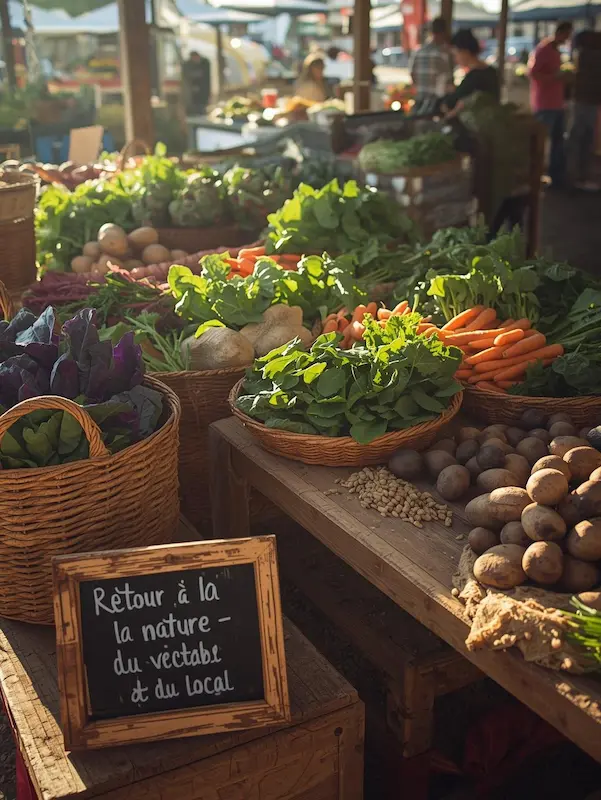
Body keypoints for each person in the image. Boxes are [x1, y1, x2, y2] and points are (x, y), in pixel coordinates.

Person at [528, 21, 573, 189]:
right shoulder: (543, 50)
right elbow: (533, 74)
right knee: (539, 142)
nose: (568, 39)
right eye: (566, 35)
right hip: (545, 104)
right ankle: (534, 175)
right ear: (560, 33)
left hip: (557, 103)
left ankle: (556, 176)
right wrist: (556, 77)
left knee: (557, 142)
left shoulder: (556, 51)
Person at [567, 29, 601, 191]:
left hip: (581, 100)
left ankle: (573, 176)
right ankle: (580, 177)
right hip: (589, 101)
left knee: (578, 138)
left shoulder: (582, 55)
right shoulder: (594, 56)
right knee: (585, 139)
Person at [441, 29, 500, 115]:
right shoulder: (491, 71)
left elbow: (450, 103)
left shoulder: (474, 77)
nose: (455, 59)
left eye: (455, 54)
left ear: (465, 52)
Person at [409, 17, 454, 108]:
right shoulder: (443, 54)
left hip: (419, 102)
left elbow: (413, 75)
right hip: (436, 105)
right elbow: (448, 85)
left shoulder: (418, 52)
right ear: (444, 33)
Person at [182, 51, 211, 116]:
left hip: (202, 94)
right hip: (192, 96)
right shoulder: (187, 65)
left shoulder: (205, 64)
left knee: (201, 110)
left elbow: (206, 80)